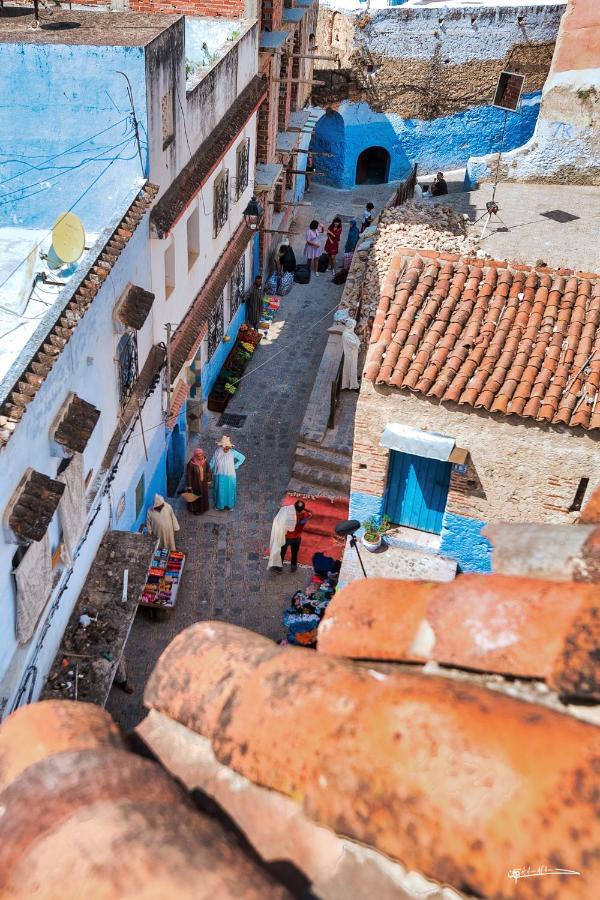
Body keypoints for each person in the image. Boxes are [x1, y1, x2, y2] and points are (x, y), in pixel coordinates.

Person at [269, 500, 313, 573]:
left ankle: (278, 568)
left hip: (287, 538)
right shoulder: (305, 515)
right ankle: (293, 567)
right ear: (302, 509)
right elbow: (311, 513)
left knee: (282, 553)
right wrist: (304, 509)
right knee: (294, 553)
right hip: (297, 538)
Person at [209, 435, 245, 510]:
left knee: (229, 490)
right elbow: (213, 461)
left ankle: (230, 505)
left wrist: (235, 466)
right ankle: (219, 506)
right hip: (219, 475)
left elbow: (242, 458)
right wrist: (208, 469)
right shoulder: (217, 451)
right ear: (222, 446)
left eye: (228, 447)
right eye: (225, 447)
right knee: (220, 491)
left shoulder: (233, 452)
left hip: (230, 475)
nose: (226, 448)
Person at [186, 447, 210, 515]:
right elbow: (189, 475)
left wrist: (208, 479)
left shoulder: (205, 461)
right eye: (198, 456)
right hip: (195, 483)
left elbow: (208, 470)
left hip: (203, 482)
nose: (200, 457)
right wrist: (189, 485)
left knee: (204, 495)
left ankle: (204, 508)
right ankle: (196, 510)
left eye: (201, 455)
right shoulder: (191, 464)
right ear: (195, 456)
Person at [341, 317, 360, 390]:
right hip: (350, 355)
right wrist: (358, 343)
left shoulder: (349, 333)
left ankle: (349, 384)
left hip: (351, 354)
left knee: (350, 370)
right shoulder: (347, 335)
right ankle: (353, 385)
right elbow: (355, 344)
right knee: (351, 371)